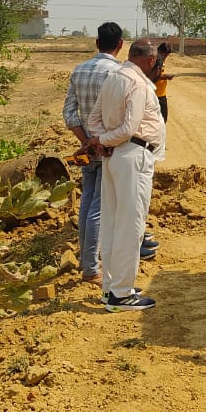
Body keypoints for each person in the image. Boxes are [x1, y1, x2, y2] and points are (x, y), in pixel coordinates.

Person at [85, 39, 166, 312]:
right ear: (152, 61)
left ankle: (111, 289)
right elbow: (130, 128)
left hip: (114, 158)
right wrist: (106, 140)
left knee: (112, 222)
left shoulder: (114, 79)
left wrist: (100, 141)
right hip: (132, 156)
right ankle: (121, 294)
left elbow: (93, 120)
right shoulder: (138, 84)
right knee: (131, 227)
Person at [62, 22, 123, 286]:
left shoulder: (79, 70)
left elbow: (69, 113)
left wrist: (86, 141)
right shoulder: (119, 73)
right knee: (100, 207)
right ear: (120, 45)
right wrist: (102, 142)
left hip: (88, 148)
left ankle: (86, 261)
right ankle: (91, 269)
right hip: (109, 149)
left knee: (87, 202)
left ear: (97, 43)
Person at [150, 42, 175, 121]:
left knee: (163, 119)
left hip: (162, 94)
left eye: (167, 55)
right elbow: (151, 76)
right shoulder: (152, 61)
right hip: (153, 95)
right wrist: (164, 77)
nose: (165, 57)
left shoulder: (162, 61)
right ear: (159, 51)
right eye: (164, 55)